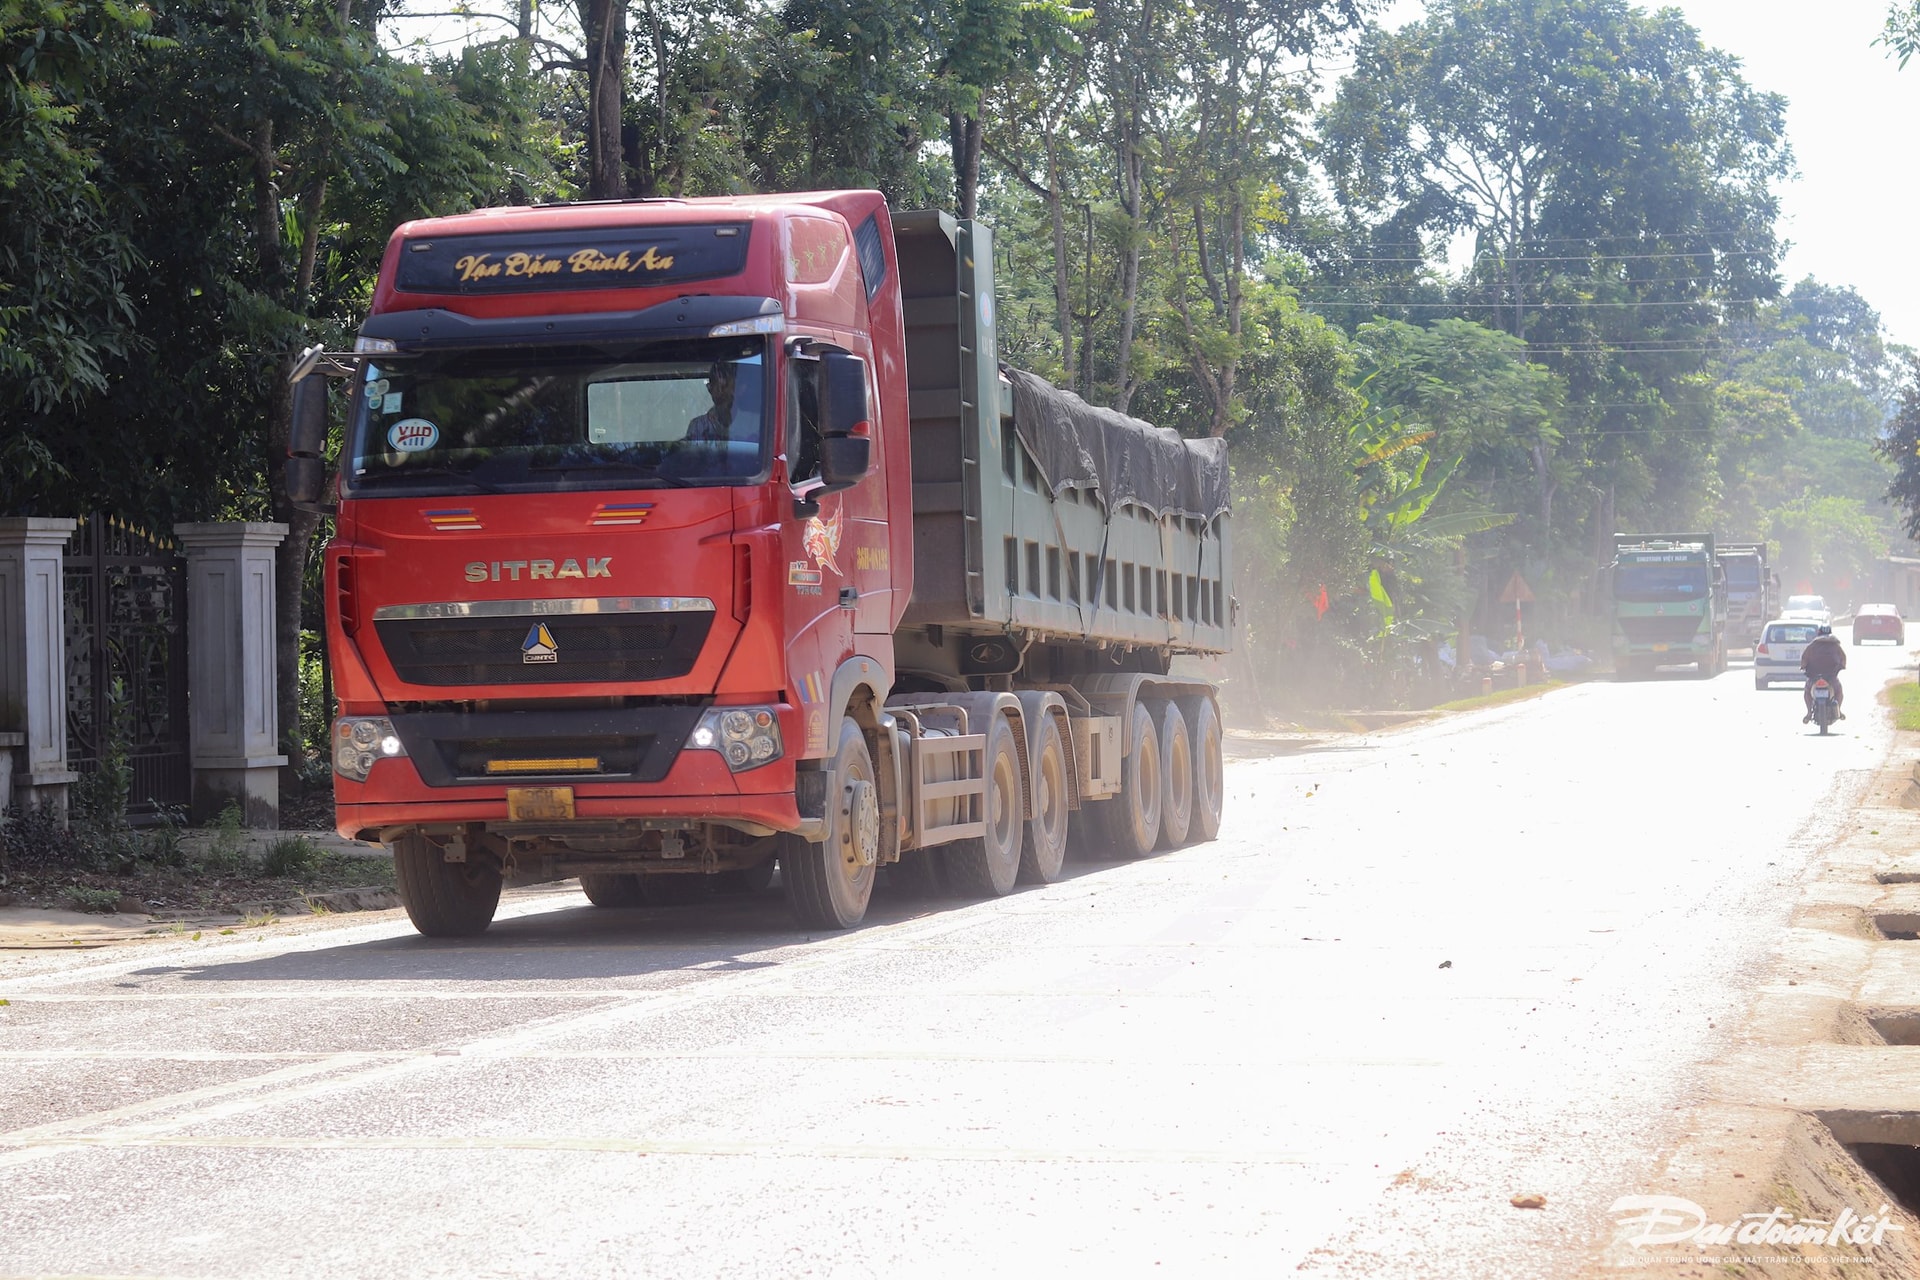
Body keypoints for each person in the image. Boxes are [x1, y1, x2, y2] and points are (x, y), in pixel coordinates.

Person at [1800, 623, 1846, 723]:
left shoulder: (1812, 645)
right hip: (1831, 677)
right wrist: (1842, 666)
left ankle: (1808, 713)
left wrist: (1803, 667)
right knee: (1839, 691)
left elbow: (1804, 659)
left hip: (1814, 677)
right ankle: (1839, 710)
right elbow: (1843, 658)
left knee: (1807, 691)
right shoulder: (1836, 645)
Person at [686, 362, 737, 442]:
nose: (721, 392)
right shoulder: (698, 426)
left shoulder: (754, 423)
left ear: (736, 388)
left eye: (724, 386)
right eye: (717, 387)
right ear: (710, 389)